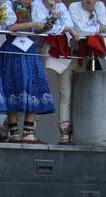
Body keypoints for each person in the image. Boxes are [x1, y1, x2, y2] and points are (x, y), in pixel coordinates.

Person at [0, 0, 56, 143]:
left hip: (29, 48)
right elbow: (10, 27)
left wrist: (45, 27)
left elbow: (35, 31)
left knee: (35, 87)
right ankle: (14, 132)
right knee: (13, 87)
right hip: (12, 48)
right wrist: (33, 24)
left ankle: (29, 132)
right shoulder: (9, 4)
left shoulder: (36, 5)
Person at [34, 0, 80, 144]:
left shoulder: (61, 6)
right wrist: (65, 28)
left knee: (65, 93)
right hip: (37, 51)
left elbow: (68, 25)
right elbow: (43, 26)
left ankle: (65, 133)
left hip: (61, 51)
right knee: (35, 90)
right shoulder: (37, 4)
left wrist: (64, 27)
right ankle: (27, 131)